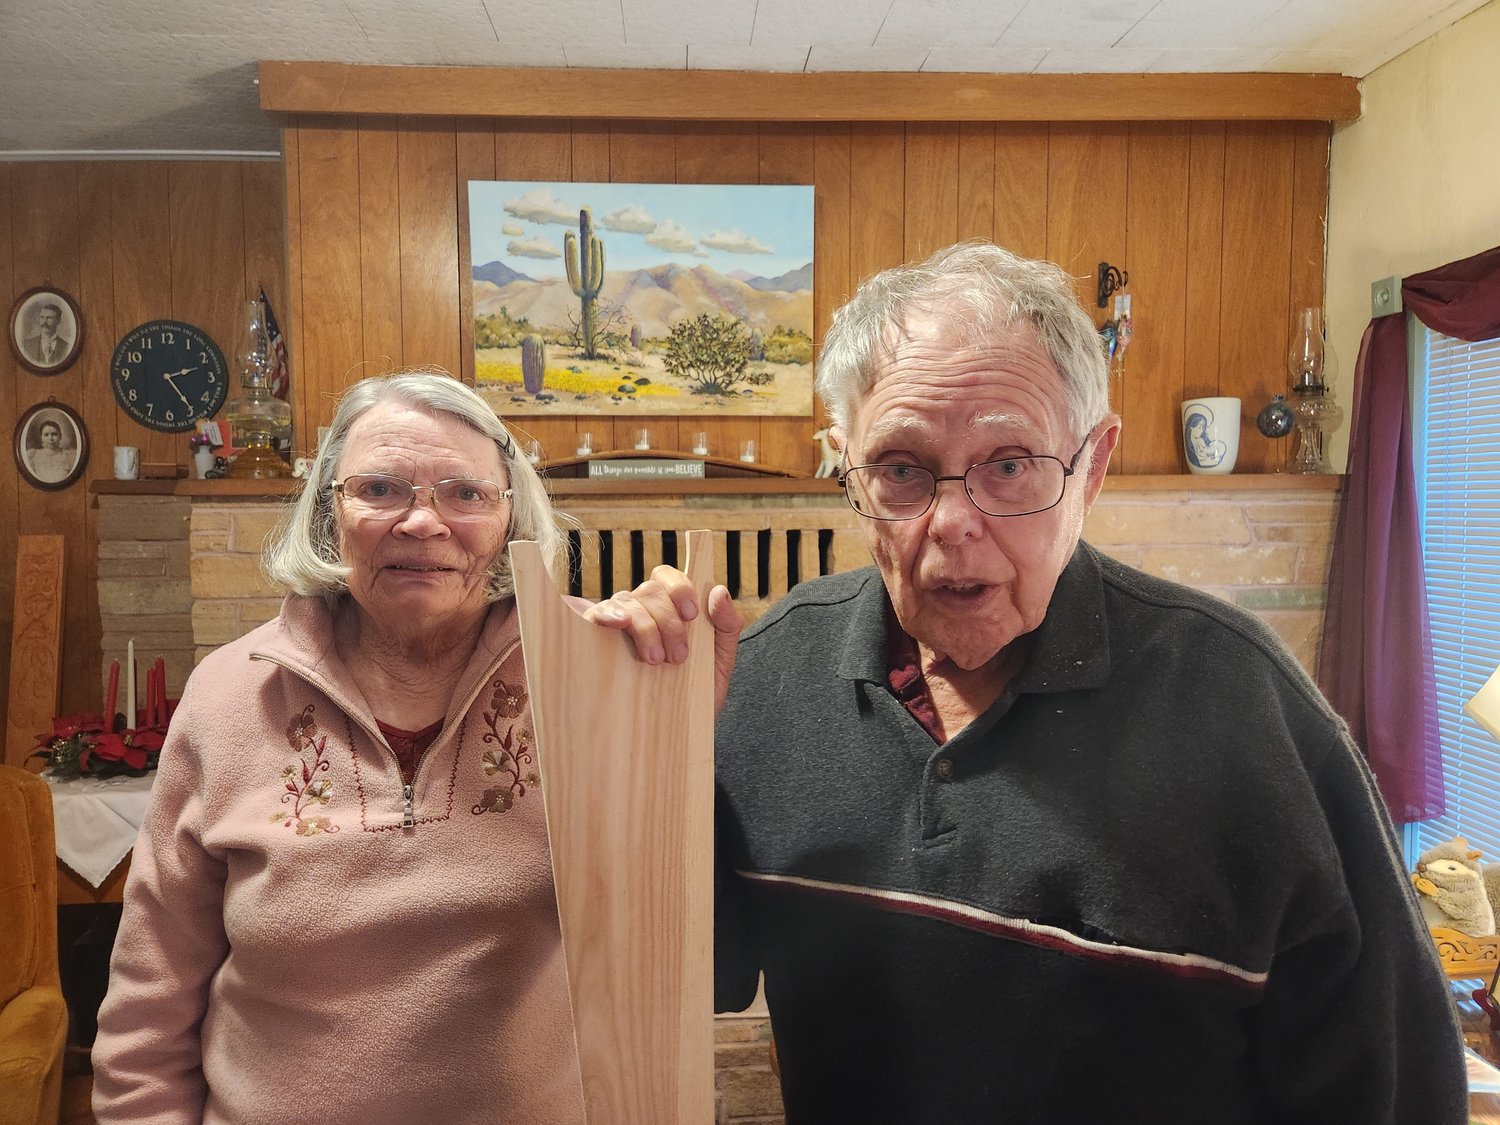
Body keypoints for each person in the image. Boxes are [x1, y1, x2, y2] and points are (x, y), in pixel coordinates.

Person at [597, 242, 1468, 1122]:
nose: (952, 525)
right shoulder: (762, 677)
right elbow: (691, 969)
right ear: (844, 466)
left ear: (1092, 466)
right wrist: (644, 757)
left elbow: (1396, 1083)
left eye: (1009, 465)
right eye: (900, 469)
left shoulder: (1247, 706)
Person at [92, 372, 588, 1124]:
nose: (423, 523)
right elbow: (146, 1013)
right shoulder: (228, 695)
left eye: (466, 493)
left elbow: (677, 936)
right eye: (381, 488)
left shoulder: (587, 673)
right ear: (330, 512)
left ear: (511, 514)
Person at [22, 301, 72, 367]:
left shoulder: (67, 347)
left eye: (49, 318)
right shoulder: (26, 345)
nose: (44, 322)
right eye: (42, 317)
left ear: (58, 321)